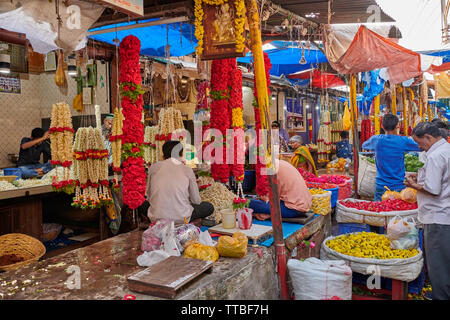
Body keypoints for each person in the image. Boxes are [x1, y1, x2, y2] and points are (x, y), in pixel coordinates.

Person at [404, 122, 450, 300]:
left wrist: (413, 185)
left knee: (438, 263)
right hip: (444, 213)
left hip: (437, 216)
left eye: (419, 142)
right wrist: (420, 176)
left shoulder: (435, 156)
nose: (418, 146)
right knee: (444, 260)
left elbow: (433, 188)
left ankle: (441, 296)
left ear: (429, 138)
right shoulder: (445, 149)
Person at [146, 140, 214, 225]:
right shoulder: (187, 170)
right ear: (181, 154)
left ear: (163, 155)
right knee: (208, 207)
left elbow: (148, 196)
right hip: (181, 217)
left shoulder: (153, 168)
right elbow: (196, 200)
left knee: (143, 205)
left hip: (156, 218)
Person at [362, 114, 420, 201]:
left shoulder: (376, 139)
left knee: (380, 211)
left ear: (382, 126)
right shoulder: (404, 141)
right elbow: (420, 147)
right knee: (397, 210)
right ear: (398, 126)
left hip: (381, 185)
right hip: (399, 185)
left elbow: (364, 145)